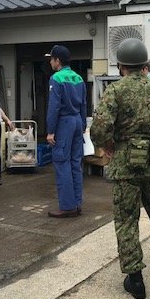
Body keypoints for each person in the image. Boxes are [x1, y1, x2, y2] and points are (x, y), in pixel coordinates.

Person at [90, 38, 150, 299]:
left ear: (121, 66)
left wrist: (107, 144)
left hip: (125, 167)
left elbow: (99, 129)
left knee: (127, 221)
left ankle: (136, 280)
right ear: (145, 64)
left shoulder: (115, 91)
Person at [45, 45, 87, 218]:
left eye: (51, 59)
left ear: (58, 61)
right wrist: (83, 125)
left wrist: (50, 131)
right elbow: (84, 104)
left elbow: (54, 107)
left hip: (64, 123)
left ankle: (67, 206)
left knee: (62, 163)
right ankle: (77, 204)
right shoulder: (79, 78)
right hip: (77, 121)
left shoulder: (56, 78)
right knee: (76, 163)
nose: (50, 62)